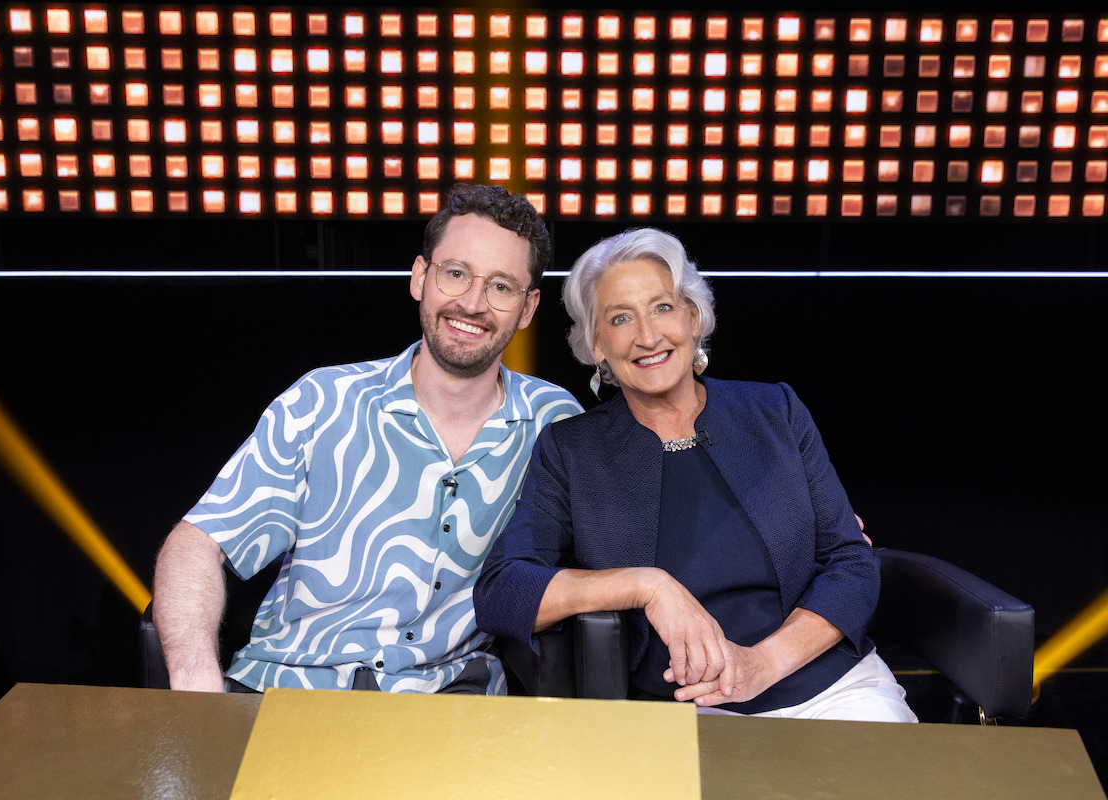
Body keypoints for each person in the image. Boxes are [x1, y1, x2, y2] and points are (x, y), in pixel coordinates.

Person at [152, 184, 581, 695]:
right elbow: (198, 543)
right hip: (289, 688)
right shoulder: (323, 400)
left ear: (528, 308)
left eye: (501, 286)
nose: (472, 303)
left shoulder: (553, 422)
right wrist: (196, 682)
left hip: (447, 702)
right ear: (420, 277)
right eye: (456, 273)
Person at [473, 228, 916, 721]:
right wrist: (648, 585)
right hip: (688, 705)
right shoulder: (571, 450)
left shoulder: (776, 410)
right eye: (620, 318)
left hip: (831, 687)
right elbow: (502, 591)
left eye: (662, 307)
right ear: (597, 344)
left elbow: (852, 562)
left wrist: (762, 665)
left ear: (693, 316)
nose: (647, 336)